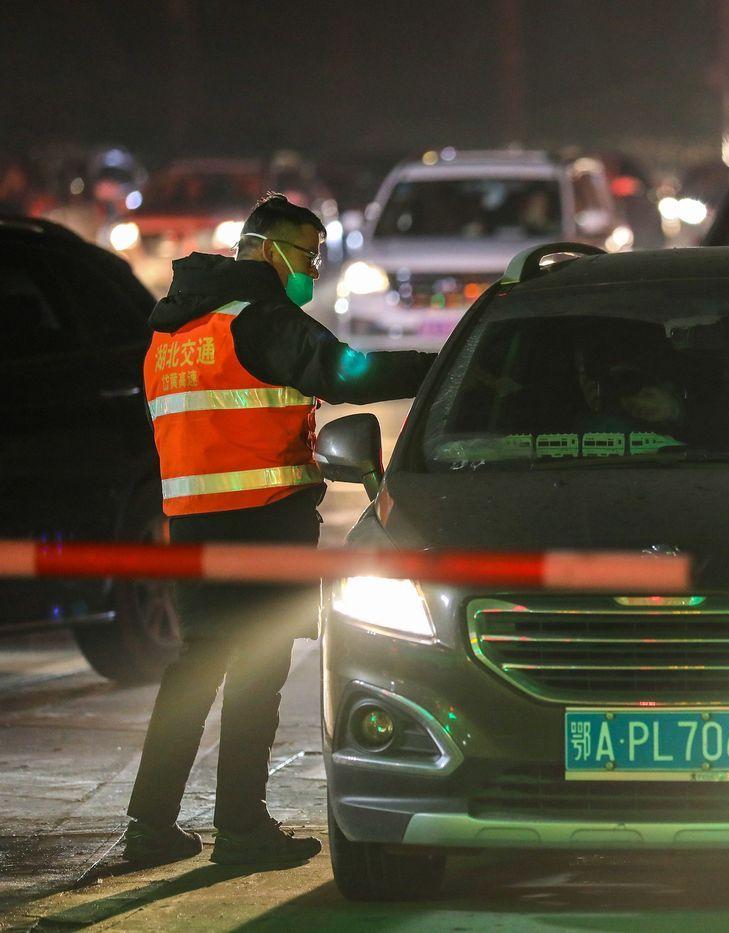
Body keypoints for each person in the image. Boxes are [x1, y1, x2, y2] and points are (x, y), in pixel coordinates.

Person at [123, 193, 436, 867]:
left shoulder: (172, 330)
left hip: (192, 528)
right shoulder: (260, 321)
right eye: (305, 254)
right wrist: (437, 366)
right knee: (256, 674)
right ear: (265, 248)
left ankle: (149, 827)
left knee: (193, 673)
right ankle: (241, 828)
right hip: (262, 523)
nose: (311, 270)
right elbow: (347, 371)